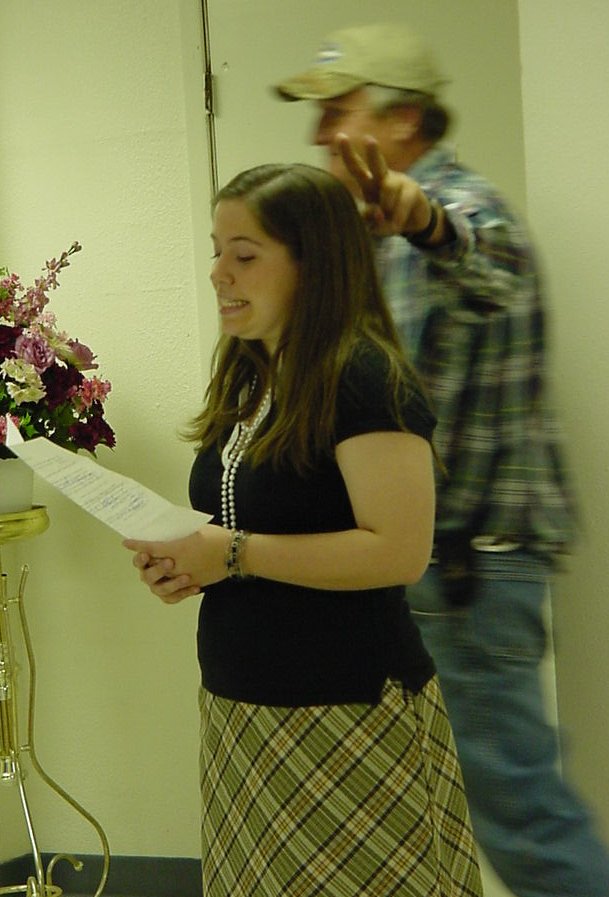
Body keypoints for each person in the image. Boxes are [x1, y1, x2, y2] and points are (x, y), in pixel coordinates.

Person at [274, 22, 609, 897]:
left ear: (403, 119)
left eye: (337, 110)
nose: (318, 133)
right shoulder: (370, 235)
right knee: (417, 810)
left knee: (520, 816)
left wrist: (420, 217)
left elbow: (484, 263)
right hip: (417, 568)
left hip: (468, 571)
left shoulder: (461, 211)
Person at [123, 163, 483, 897]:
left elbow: (398, 551)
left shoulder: (364, 376)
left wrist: (231, 553)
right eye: (216, 250)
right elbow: (243, 531)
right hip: (243, 707)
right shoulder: (249, 377)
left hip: (346, 707)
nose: (219, 272)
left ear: (313, 263)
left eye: (244, 254)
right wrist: (186, 562)